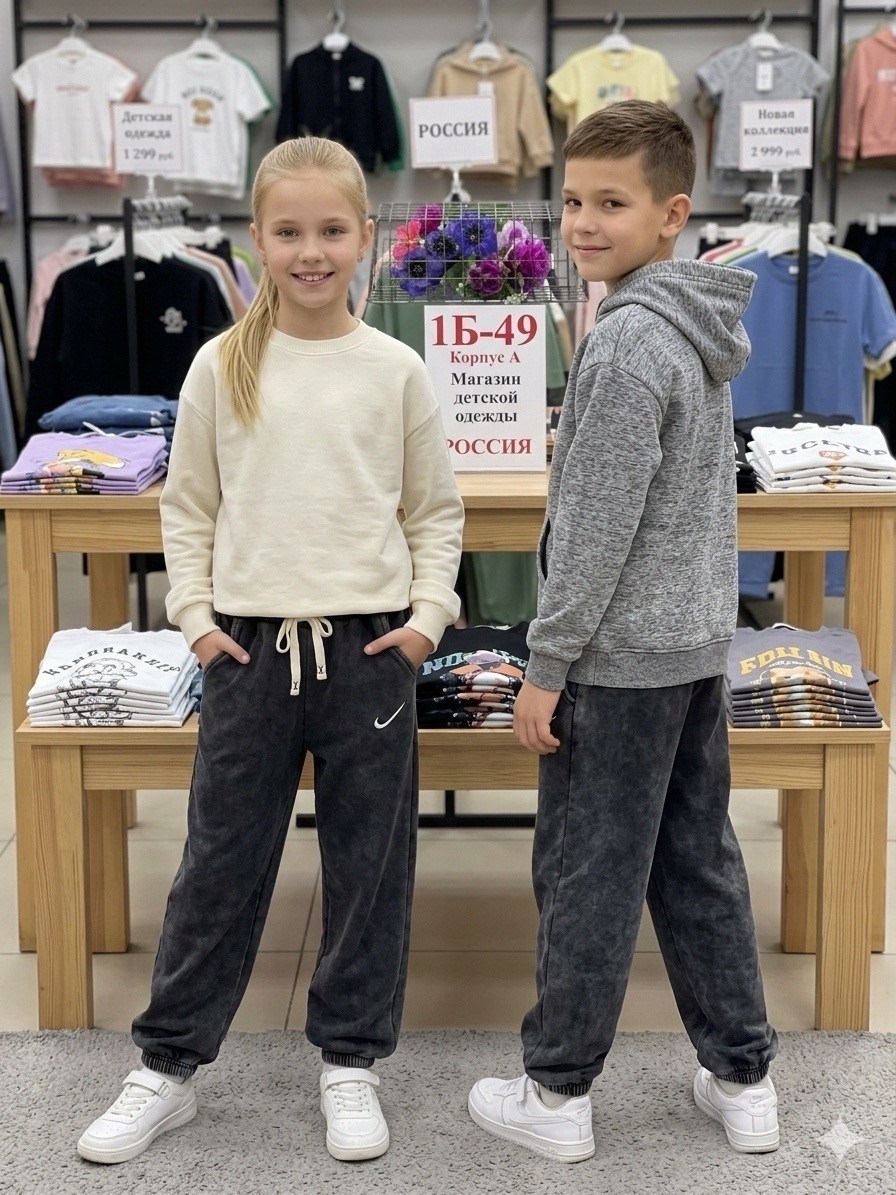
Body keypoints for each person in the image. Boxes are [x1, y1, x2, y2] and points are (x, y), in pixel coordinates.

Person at [77, 136, 465, 1166]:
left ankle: (351, 1061)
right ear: (256, 239)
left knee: (369, 865)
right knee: (219, 860)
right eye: (288, 231)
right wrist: (198, 623)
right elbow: (188, 507)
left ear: (365, 237)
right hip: (246, 652)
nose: (310, 251)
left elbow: (434, 511)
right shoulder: (220, 363)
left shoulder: (395, 371)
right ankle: (167, 1064)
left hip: (371, 653)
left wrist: (426, 621)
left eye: (330, 230)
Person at [467, 100, 779, 1163]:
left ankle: (556, 1094)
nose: (581, 223)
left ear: (670, 214)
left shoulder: (628, 342)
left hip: (616, 663)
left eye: (610, 203)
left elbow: (595, 531)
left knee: (585, 873)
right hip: (689, 649)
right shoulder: (693, 327)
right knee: (696, 861)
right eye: (570, 201)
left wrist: (545, 665)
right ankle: (743, 1077)